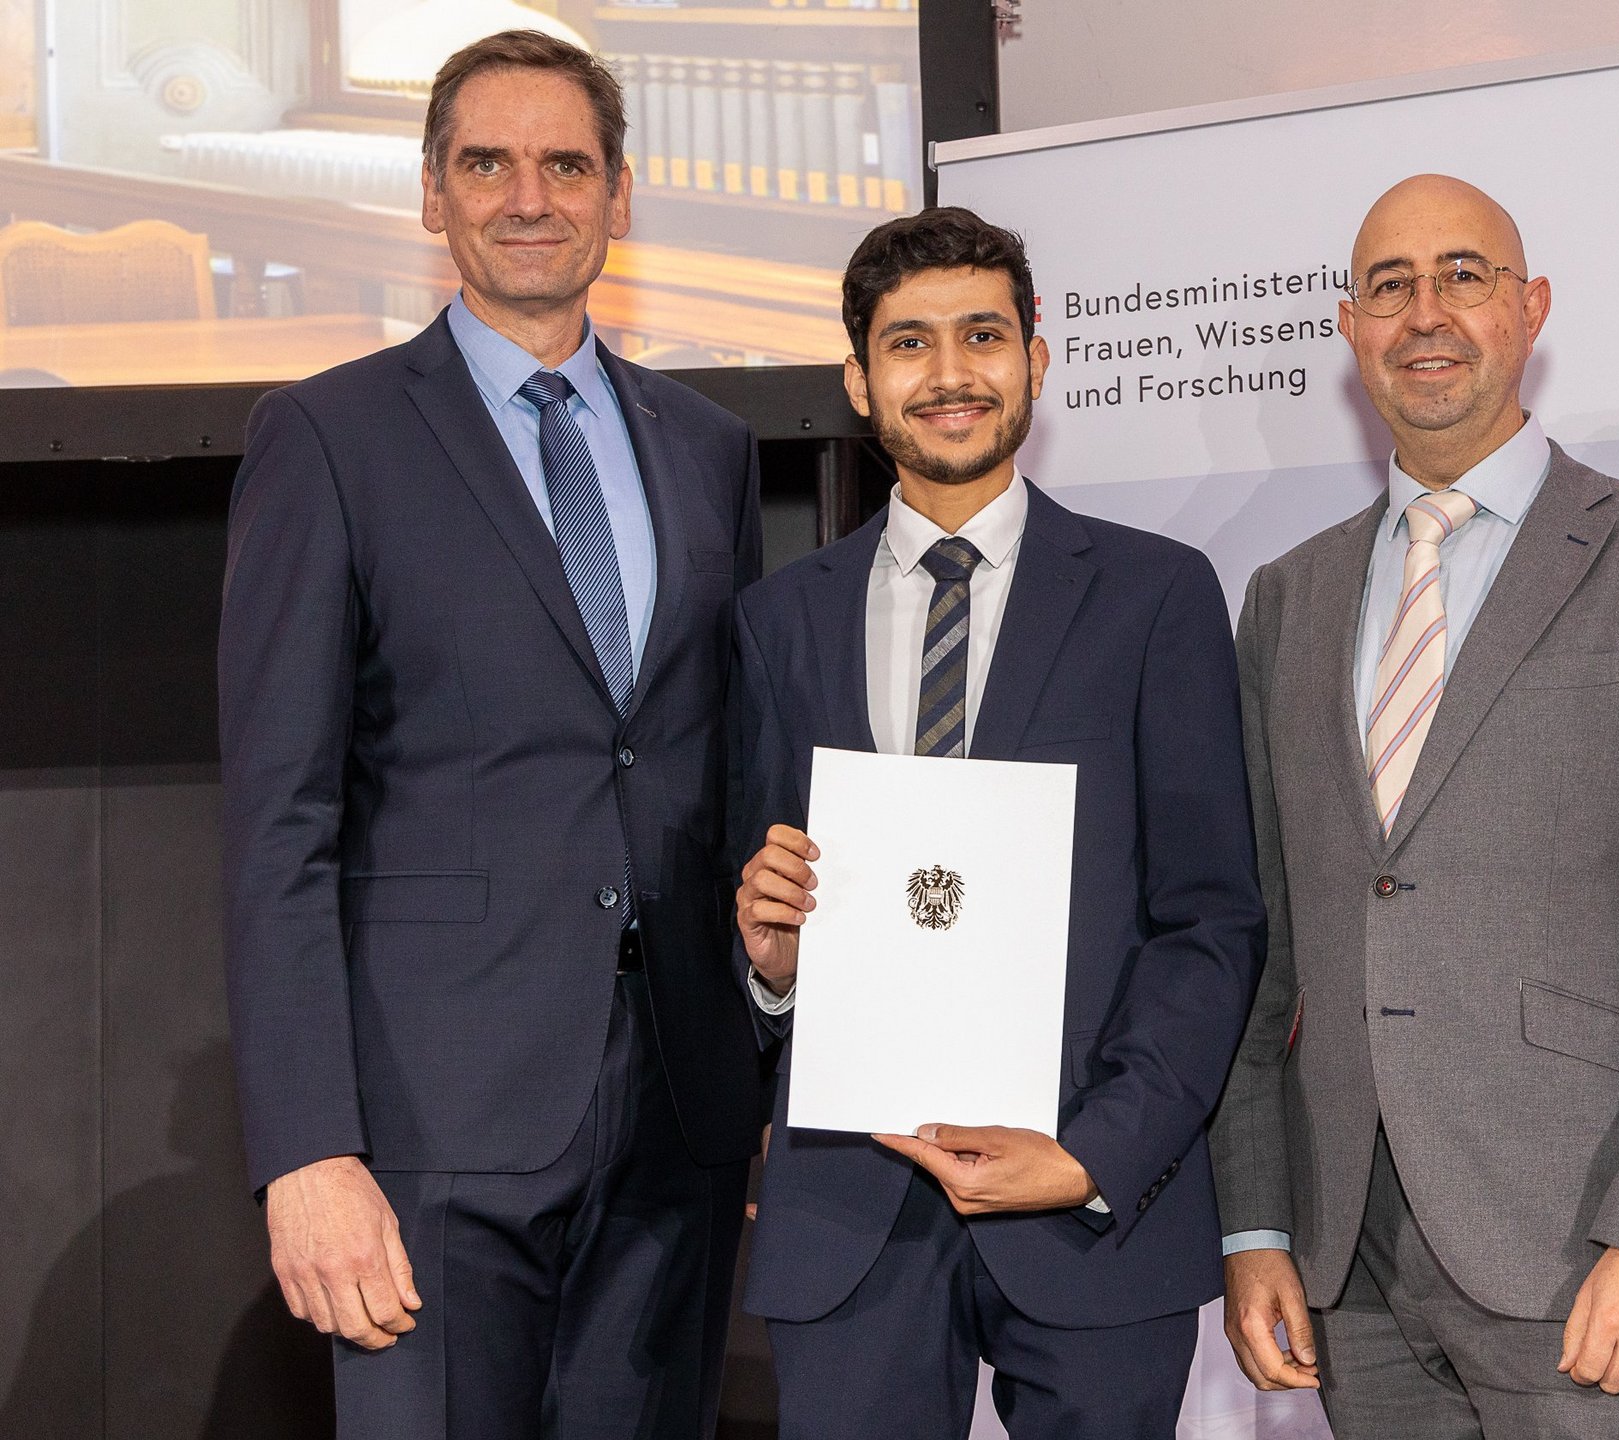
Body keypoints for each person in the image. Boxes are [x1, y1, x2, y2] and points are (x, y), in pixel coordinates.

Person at [218, 30, 762, 1439]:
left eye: (566, 165)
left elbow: (719, 770)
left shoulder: (709, 448)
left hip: (682, 1122)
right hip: (429, 1135)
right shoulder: (328, 439)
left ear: (619, 195)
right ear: (431, 194)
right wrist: (308, 1148)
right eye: (488, 164)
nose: (530, 197)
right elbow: (279, 824)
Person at [1211, 173, 1619, 1439]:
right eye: (1390, 286)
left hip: (1578, 1248)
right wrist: (1256, 1224)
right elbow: (1266, 947)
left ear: (1529, 309)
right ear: (1349, 328)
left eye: (1463, 276)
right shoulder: (1286, 597)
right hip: (1348, 1259)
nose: (1425, 313)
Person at [728, 206, 1265, 1438]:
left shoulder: (1156, 596)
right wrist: (771, 968)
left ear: (1036, 357)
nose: (951, 374)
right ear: (859, 380)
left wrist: (1096, 1154)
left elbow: (1211, 920)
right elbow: (758, 902)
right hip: (848, 1216)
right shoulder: (779, 620)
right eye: (908, 343)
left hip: (1088, 1205)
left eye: (982, 335)